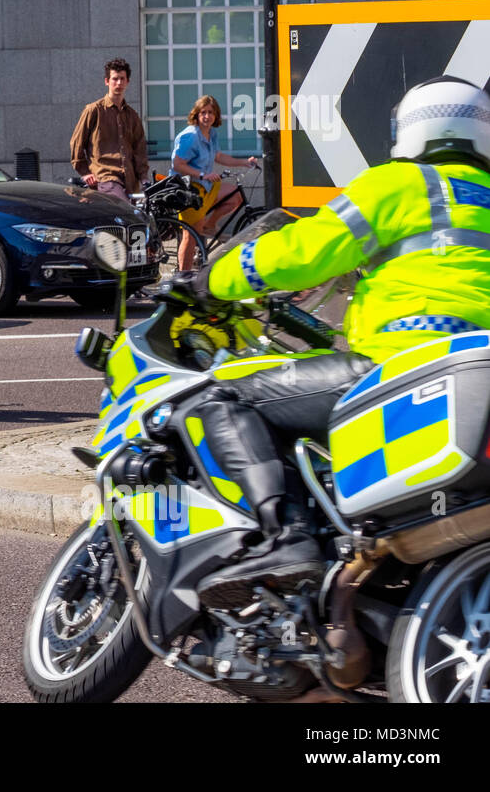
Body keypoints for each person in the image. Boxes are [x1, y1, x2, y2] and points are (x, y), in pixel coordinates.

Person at [175, 77, 490, 605]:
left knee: (223, 396)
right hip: (477, 376)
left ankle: (287, 538)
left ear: (412, 129)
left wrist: (214, 278)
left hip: (399, 366)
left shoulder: (397, 185)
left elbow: (306, 251)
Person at [168, 94, 259, 269]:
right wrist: (202, 175)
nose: (207, 116)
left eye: (210, 112)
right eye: (203, 112)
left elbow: (218, 156)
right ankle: (183, 277)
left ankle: (209, 226)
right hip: (188, 190)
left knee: (235, 196)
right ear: (196, 114)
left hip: (206, 186)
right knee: (191, 236)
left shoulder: (212, 133)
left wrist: (244, 162)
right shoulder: (190, 136)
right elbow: (178, 165)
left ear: (216, 115)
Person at [70, 58, 148, 202]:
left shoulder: (132, 115)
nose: (119, 83)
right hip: (105, 178)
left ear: (127, 82)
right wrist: (85, 172)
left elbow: (140, 150)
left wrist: (144, 178)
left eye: (122, 79)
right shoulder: (94, 110)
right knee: (126, 214)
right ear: (107, 81)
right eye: (115, 79)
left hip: (130, 182)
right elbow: (77, 143)